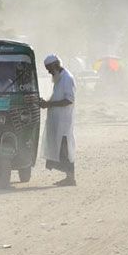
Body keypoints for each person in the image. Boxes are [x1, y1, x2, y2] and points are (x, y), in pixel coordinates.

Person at [40, 54, 77, 186]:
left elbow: (69, 100)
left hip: (64, 121)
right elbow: (57, 98)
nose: (49, 72)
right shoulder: (58, 79)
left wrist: (49, 104)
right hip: (57, 120)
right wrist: (46, 103)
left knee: (65, 148)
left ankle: (71, 178)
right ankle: (68, 177)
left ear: (56, 65)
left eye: (49, 68)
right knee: (59, 148)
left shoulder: (67, 78)